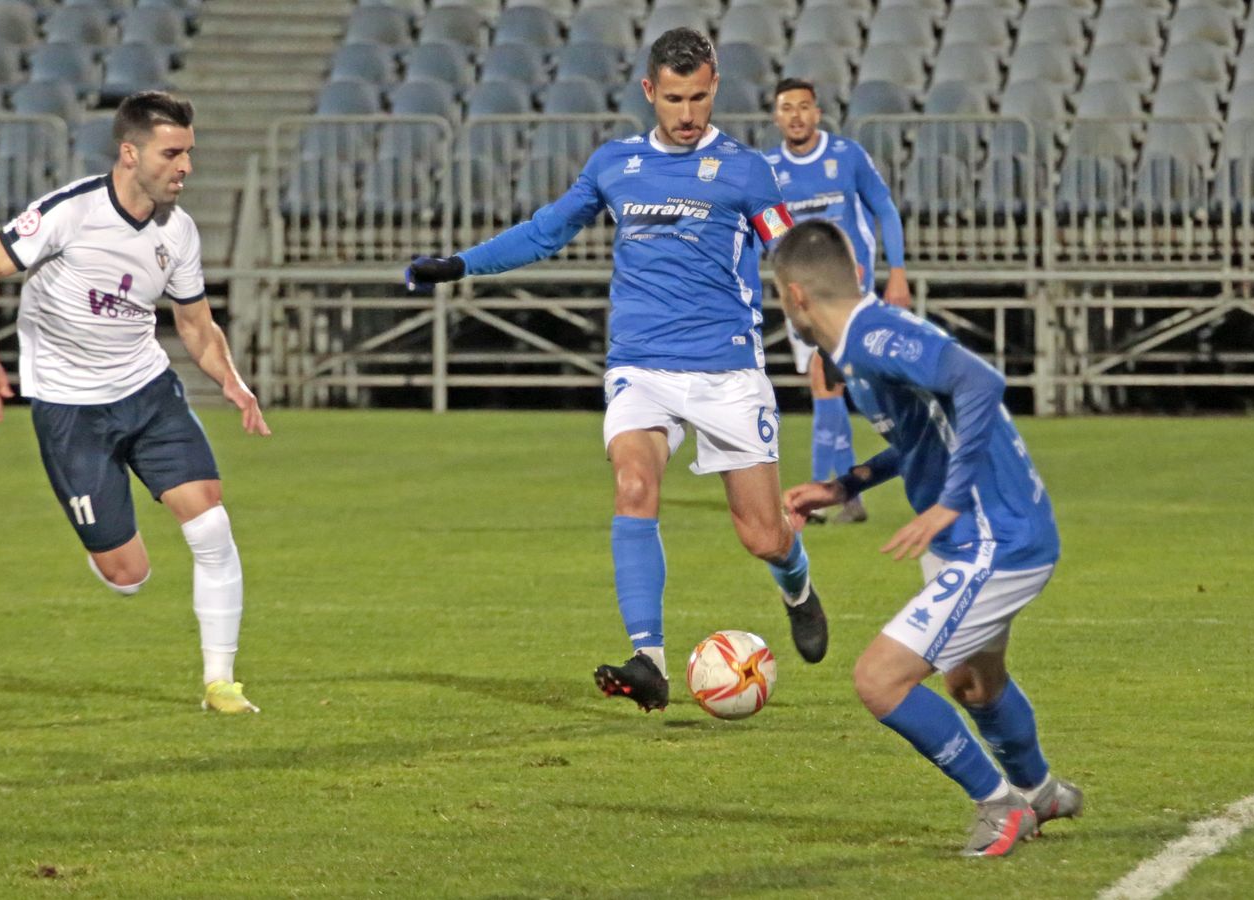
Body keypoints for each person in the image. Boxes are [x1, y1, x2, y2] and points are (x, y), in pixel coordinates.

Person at [407, 28, 828, 711]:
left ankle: (797, 582)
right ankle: (649, 660)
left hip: (726, 370)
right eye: (673, 99)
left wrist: (831, 314)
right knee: (634, 483)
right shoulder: (616, 165)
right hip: (641, 366)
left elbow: (791, 251)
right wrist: (460, 264)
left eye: (697, 97)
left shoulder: (748, 171)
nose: (687, 114)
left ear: (715, 86)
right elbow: (545, 231)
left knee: (761, 534)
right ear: (648, 93)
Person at [0, 91, 270, 714]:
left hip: (148, 392)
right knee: (129, 575)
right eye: (171, 153)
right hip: (70, 408)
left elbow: (197, 324)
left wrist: (231, 379)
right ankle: (109, 544)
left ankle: (221, 683)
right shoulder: (68, 213)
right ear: (130, 153)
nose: (185, 167)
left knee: (210, 523)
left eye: (189, 154)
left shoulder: (179, 232)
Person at [773, 220, 1081, 857]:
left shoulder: (877, 337)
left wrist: (946, 502)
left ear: (795, 296)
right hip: (984, 536)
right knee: (972, 683)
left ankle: (999, 808)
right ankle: (1038, 790)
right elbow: (921, 434)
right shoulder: (857, 346)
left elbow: (980, 383)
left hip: (996, 540)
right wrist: (847, 485)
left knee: (878, 681)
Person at [766, 77, 911, 525]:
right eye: (786, 107)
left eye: (803, 107)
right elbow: (765, 228)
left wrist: (899, 273)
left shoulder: (846, 156)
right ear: (776, 116)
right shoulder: (769, 168)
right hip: (800, 295)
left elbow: (884, 208)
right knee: (826, 387)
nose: (795, 116)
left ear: (818, 112)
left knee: (829, 382)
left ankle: (826, 494)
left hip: (850, 292)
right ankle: (844, 496)